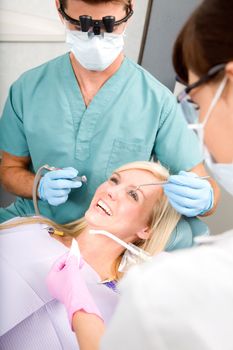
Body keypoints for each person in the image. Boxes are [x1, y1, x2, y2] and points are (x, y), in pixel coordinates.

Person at [46, 0, 233, 349]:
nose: (193, 115)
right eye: (115, 180)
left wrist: (79, 304)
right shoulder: (23, 236)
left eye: (194, 96)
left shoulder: (155, 293)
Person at [0, 0, 219, 224]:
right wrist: (39, 186)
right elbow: (9, 169)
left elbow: (203, 182)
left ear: (130, 7)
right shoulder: (27, 89)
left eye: (109, 26)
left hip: (110, 233)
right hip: (35, 220)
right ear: (59, 8)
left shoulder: (156, 101)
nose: (96, 39)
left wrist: (206, 198)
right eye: (81, 25)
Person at [0, 160, 182, 350]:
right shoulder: (30, 228)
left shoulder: (121, 309)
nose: (111, 191)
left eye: (133, 195)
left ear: (147, 229)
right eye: (114, 180)